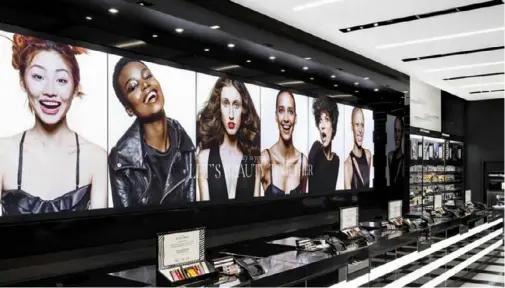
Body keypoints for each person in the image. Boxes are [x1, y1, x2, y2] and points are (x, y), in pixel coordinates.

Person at [0, 34, 108, 215]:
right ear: (23, 82)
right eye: (38, 76)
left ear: (75, 88)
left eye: (61, 80)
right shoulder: (2, 153)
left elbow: (101, 235)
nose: (50, 91)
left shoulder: (96, 158)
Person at [108, 57, 196, 207]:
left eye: (148, 76)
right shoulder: (121, 160)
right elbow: (126, 224)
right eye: (133, 86)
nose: (145, 85)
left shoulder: (184, 142)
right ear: (129, 109)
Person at [196, 78, 261, 201]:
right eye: (225, 103)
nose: (231, 114)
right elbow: (204, 213)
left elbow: (256, 211)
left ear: (243, 109)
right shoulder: (204, 158)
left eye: (236, 104)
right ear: (218, 107)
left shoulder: (254, 162)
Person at [261, 91, 308, 196]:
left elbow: (304, 204)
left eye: (290, 111)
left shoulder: (303, 162)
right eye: (281, 111)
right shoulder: (264, 159)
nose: (286, 119)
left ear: (295, 118)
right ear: (276, 116)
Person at [308, 96, 340, 194]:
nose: (322, 126)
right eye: (320, 120)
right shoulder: (316, 150)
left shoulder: (336, 160)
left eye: (326, 119)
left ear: (333, 126)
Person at [344, 107, 372, 190]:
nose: (360, 130)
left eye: (362, 125)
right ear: (352, 126)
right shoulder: (347, 165)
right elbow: (348, 199)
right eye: (357, 125)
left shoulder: (368, 155)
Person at [388, 117, 404, 187]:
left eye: (399, 131)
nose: (397, 135)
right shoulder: (390, 156)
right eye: (395, 131)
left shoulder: (404, 160)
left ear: (402, 134)